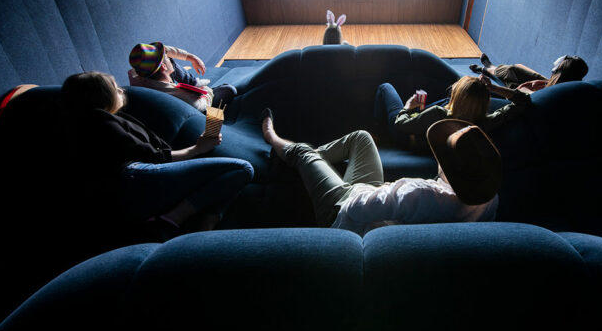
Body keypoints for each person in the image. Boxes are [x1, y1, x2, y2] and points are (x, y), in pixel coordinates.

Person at [61, 71, 253, 242]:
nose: (121, 90)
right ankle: (174, 219)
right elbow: (152, 156)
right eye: (114, 87)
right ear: (100, 95)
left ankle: (205, 221)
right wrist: (196, 149)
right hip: (133, 178)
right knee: (241, 169)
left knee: (227, 178)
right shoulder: (98, 120)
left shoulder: (109, 119)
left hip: (139, 177)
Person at [260, 109, 501, 236]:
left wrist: (387, 190)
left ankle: (274, 139)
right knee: (361, 138)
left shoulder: (419, 194)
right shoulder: (489, 199)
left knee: (304, 152)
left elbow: (355, 207)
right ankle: (305, 163)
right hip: (372, 204)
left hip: (342, 214)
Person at [373, 75, 530, 150]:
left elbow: (400, 124)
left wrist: (407, 106)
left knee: (385, 87)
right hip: (428, 144)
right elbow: (523, 101)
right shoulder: (485, 124)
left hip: (405, 136)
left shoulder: (438, 114)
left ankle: (379, 134)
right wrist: (495, 88)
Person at [128, 42, 237, 113]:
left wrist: (191, 57)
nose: (167, 55)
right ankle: (198, 87)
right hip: (198, 109)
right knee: (228, 90)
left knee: (170, 62)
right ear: (163, 67)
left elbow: (166, 50)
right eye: (166, 57)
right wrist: (206, 91)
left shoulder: (137, 72)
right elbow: (200, 106)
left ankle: (193, 83)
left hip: (167, 83)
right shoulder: (174, 95)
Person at [470, 53, 588, 94]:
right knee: (513, 69)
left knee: (511, 83)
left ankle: (486, 69)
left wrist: (526, 88)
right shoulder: (570, 84)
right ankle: (491, 67)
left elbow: (526, 97)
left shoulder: (558, 95)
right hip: (548, 85)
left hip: (530, 96)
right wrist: (545, 82)